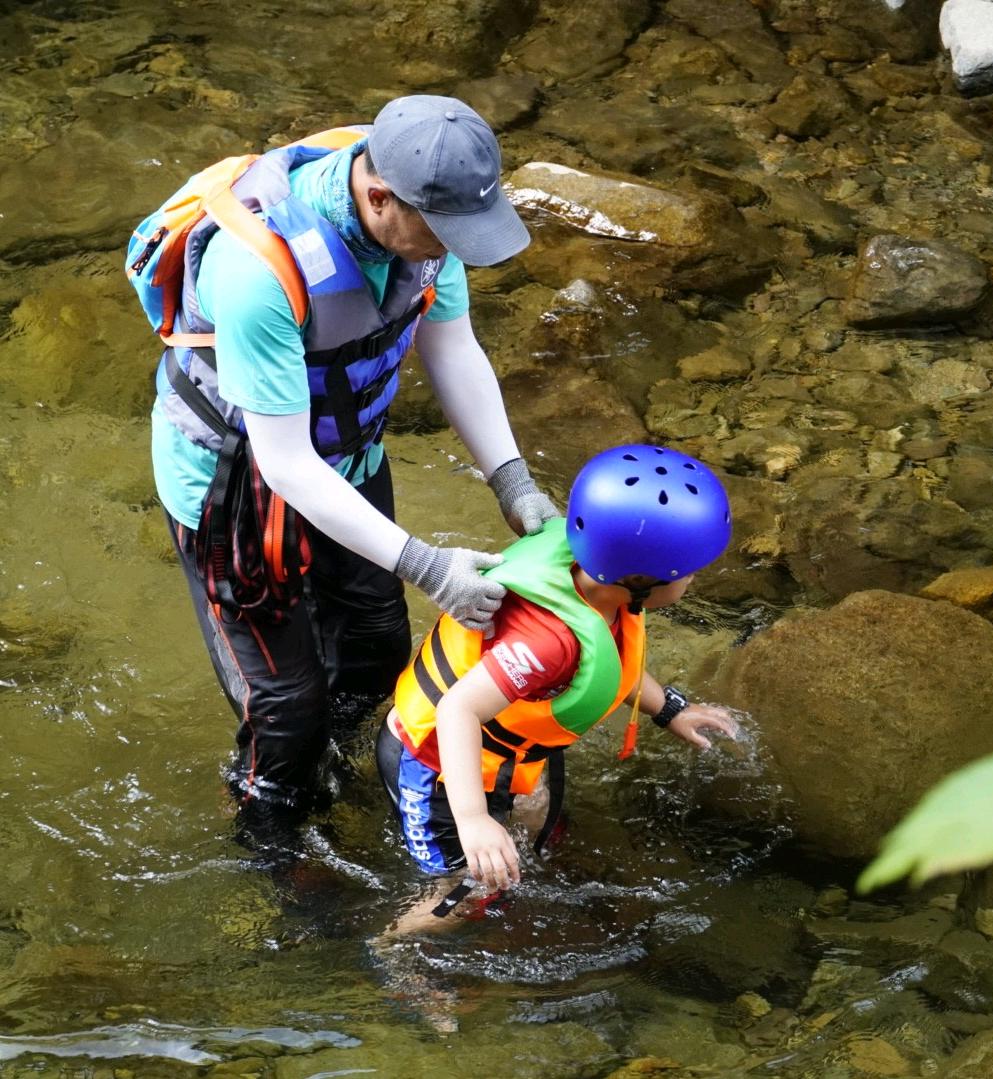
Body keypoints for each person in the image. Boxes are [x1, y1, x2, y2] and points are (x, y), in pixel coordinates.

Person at [144, 94, 558, 839]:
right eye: (442, 233)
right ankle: (274, 847)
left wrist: (512, 480)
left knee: (375, 649)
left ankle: (335, 765)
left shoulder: (425, 220)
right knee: (286, 709)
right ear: (377, 197)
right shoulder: (258, 272)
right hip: (233, 486)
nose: (450, 248)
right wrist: (429, 566)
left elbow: (453, 347)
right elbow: (286, 464)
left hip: (348, 454)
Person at [376, 443, 742, 928]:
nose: (694, 579)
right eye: (690, 570)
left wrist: (670, 709)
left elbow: (613, 663)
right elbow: (457, 710)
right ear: (641, 579)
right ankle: (395, 950)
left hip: (496, 751)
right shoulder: (548, 642)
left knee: (536, 816)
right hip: (434, 765)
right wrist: (473, 822)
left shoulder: (591, 579)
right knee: (471, 886)